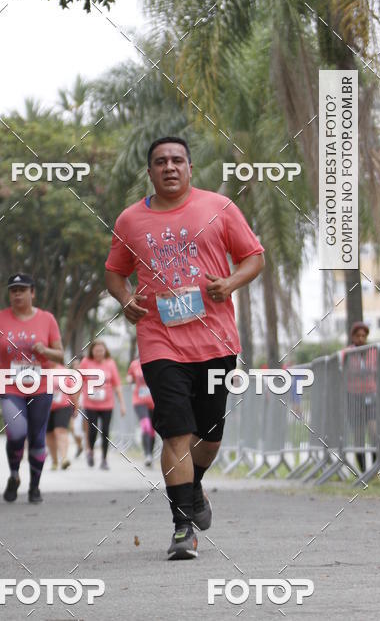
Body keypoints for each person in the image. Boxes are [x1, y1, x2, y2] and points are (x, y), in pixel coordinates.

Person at [105, 136, 265, 559]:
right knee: (176, 431)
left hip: (215, 341)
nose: (169, 167)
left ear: (190, 168)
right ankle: (182, 528)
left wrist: (229, 283)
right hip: (160, 342)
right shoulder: (130, 220)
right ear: (150, 172)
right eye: (160, 162)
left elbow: (254, 257)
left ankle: (193, 486)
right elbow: (115, 273)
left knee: (209, 435)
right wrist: (126, 299)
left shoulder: (219, 207)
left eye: (177, 160)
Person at [0, 273, 63, 504]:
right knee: (16, 432)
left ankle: (34, 486)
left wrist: (46, 351)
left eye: (22, 290)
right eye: (13, 290)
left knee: (37, 437)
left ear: (32, 293)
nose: (17, 294)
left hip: (41, 385)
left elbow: (60, 354)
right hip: (10, 385)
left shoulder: (47, 319)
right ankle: (14, 475)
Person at [79, 340, 125, 470]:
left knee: (105, 430)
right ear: (92, 351)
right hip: (90, 404)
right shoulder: (86, 362)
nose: (99, 353)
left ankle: (104, 459)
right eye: (96, 350)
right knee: (93, 430)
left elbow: (117, 384)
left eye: (101, 350)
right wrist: (76, 402)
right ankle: (91, 451)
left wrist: (122, 404)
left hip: (107, 404)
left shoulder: (110, 363)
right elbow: (78, 382)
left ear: (105, 351)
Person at [343, 321, 378, 475]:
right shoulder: (347, 353)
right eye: (358, 336)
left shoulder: (373, 351)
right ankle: (363, 471)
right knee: (359, 435)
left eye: (364, 336)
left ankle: (375, 469)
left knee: (374, 431)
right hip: (354, 396)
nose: (361, 338)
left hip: (371, 395)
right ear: (353, 337)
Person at [46, 362, 79, 470]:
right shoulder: (41, 369)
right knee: (49, 434)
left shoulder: (64, 371)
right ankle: (54, 461)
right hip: (45, 407)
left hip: (63, 405)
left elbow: (72, 390)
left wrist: (75, 405)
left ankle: (64, 458)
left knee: (60, 430)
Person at [127, 355, 155, 466]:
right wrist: (130, 380)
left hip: (153, 401)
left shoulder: (155, 362)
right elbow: (129, 376)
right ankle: (147, 454)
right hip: (139, 401)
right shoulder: (134, 364)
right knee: (146, 426)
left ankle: (150, 454)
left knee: (152, 429)